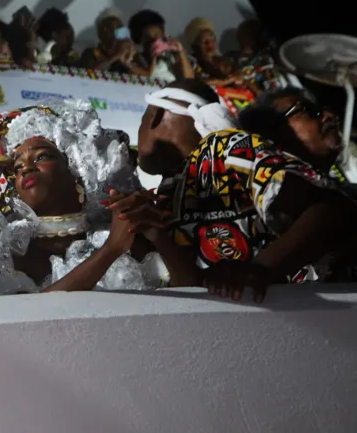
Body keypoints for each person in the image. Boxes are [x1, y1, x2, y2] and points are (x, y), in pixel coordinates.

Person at [0, 101, 200, 295]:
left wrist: (158, 237)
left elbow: (197, 296)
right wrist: (110, 251)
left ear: (78, 171)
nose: (26, 169)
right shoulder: (14, 254)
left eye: (41, 157)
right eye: (17, 168)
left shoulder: (124, 235)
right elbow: (33, 320)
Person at [137, 80, 357, 300]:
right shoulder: (172, 191)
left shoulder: (223, 149)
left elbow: (331, 212)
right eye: (309, 111)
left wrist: (258, 269)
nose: (330, 116)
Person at [128, 9, 193, 82]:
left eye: (158, 37)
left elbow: (189, 80)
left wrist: (181, 52)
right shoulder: (136, 59)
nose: (155, 42)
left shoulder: (172, 58)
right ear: (140, 40)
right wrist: (153, 61)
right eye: (149, 40)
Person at [79, 12, 147, 76]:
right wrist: (116, 56)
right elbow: (90, 74)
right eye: (113, 27)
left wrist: (127, 63)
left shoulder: (134, 55)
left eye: (119, 27)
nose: (118, 30)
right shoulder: (91, 53)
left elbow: (147, 77)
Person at [183, 17, 238, 85]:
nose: (209, 44)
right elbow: (194, 83)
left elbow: (239, 75)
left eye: (212, 40)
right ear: (196, 46)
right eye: (204, 42)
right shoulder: (191, 62)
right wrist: (223, 82)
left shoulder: (225, 61)